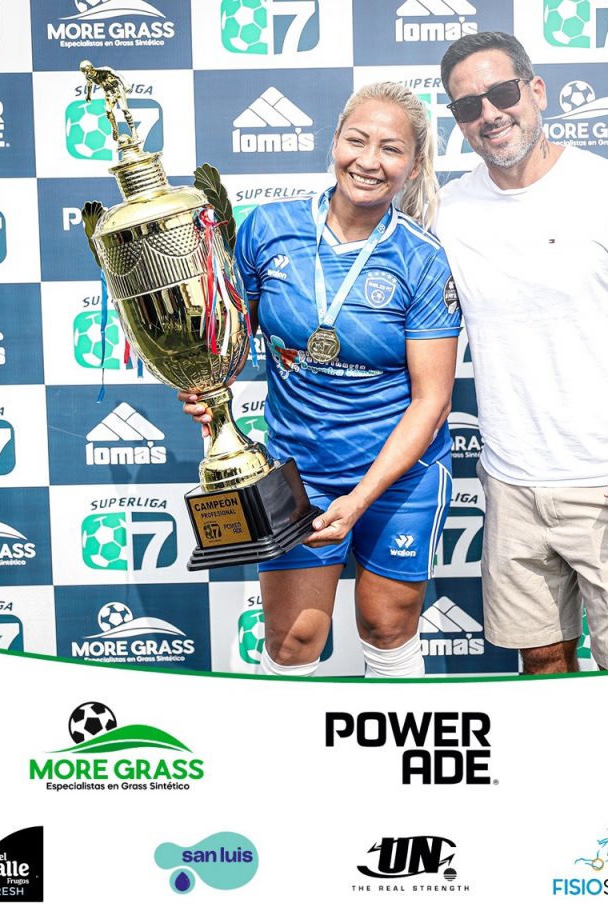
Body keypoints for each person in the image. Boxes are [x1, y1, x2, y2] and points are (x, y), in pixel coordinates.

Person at [435, 32, 608, 674]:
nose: (489, 114)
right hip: (510, 482)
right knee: (542, 662)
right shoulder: (448, 211)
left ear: (536, 90)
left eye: (502, 93)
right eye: (468, 106)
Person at [181, 82, 459, 678]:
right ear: (334, 142)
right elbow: (231, 338)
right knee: (293, 640)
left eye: (391, 149)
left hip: (400, 475)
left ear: (413, 166)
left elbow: (433, 402)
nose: (369, 161)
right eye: (357, 140)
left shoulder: (422, 258)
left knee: (386, 626)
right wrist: (206, 385)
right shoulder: (267, 228)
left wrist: (359, 500)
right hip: (299, 471)